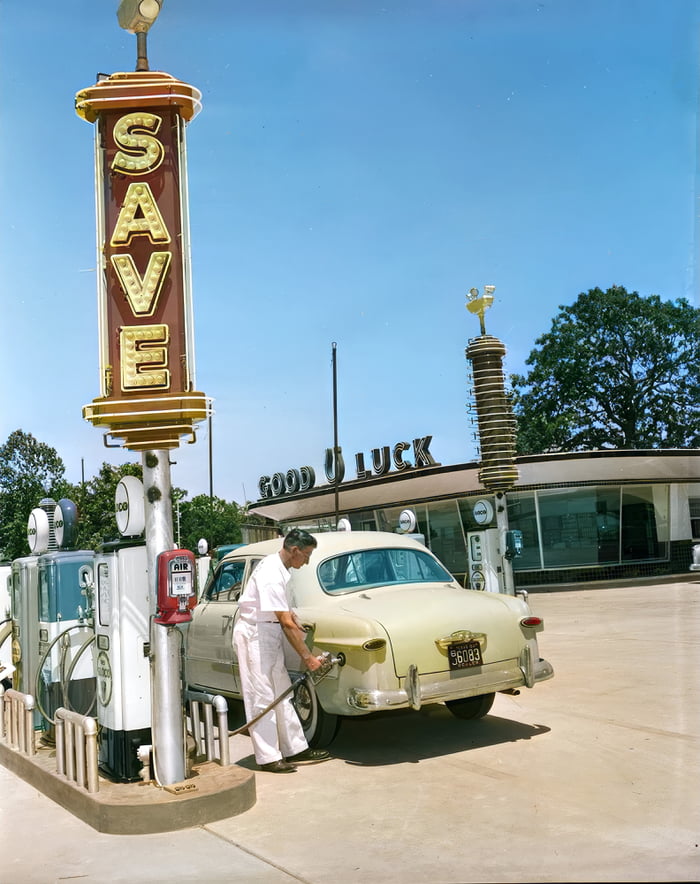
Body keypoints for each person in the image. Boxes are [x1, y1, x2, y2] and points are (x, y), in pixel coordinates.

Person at [232, 528, 331, 773]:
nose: (307, 560)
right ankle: (268, 757)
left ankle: (296, 749)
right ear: (294, 550)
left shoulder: (280, 569)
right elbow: (284, 622)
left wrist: (292, 618)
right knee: (262, 696)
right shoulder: (271, 572)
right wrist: (308, 658)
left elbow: (285, 616)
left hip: (267, 632)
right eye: (306, 555)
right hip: (255, 634)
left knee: (282, 691)